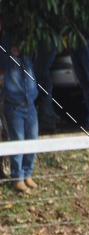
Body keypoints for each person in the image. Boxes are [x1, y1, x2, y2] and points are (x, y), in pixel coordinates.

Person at [0, 29, 38, 193]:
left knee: (32, 139)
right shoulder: (4, 47)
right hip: (14, 105)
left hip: (30, 103)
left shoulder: (27, 48)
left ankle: (28, 173)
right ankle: (18, 177)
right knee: (18, 140)